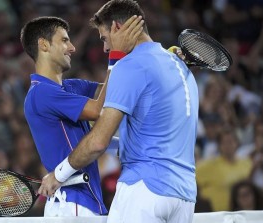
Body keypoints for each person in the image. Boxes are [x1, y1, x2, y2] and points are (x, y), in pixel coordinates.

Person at [38, 1, 199, 222]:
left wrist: (58, 175)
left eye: (105, 38)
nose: (105, 48)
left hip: (145, 189)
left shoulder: (129, 65)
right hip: (185, 197)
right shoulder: (179, 64)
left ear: (118, 28)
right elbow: (143, 130)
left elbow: (98, 142)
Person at [20, 15, 143, 216]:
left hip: (82, 203)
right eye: (64, 40)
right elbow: (98, 110)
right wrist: (116, 56)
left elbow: (120, 90)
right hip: (71, 203)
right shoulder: (41, 93)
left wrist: (161, 61)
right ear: (43, 45)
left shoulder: (70, 87)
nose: (73, 48)